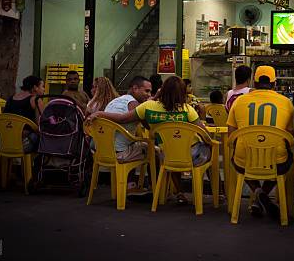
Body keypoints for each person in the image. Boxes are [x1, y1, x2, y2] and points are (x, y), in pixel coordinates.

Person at [89, 76, 210, 204]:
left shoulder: (147, 107)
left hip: (168, 156)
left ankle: (172, 191)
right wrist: (210, 142)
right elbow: (205, 135)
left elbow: (122, 119)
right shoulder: (188, 110)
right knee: (209, 148)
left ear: (162, 90)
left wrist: (99, 114)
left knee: (166, 152)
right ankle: (218, 193)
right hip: (191, 156)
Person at [226, 65, 294, 219]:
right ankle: (263, 194)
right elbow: (291, 135)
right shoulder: (286, 103)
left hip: (245, 160)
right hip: (276, 161)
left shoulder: (239, 101)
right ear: (274, 84)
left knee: (238, 160)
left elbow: (231, 135)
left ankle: (257, 192)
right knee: (287, 160)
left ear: (254, 84)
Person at [103, 76, 152, 163]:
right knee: (155, 151)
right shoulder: (134, 104)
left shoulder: (115, 101)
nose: (149, 95)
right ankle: (154, 177)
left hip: (103, 151)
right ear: (135, 88)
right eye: (147, 91)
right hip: (119, 153)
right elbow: (149, 126)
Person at [4, 75, 45, 153]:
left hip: (6, 141)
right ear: (35, 87)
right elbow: (40, 125)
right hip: (24, 144)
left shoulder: (10, 99)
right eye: (42, 86)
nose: (44, 89)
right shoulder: (36, 100)